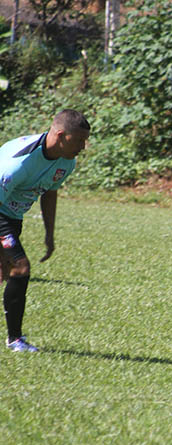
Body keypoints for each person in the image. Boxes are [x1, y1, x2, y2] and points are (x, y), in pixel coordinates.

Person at [0, 109, 91, 352]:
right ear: (60, 135)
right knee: (20, 267)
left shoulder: (66, 161)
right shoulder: (16, 164)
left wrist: (49, 234)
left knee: (6, 273)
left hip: (12, 215)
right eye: (79, 140)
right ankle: (15, 340)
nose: (83, 147)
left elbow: (49, 192)